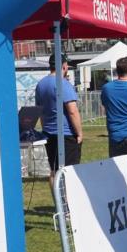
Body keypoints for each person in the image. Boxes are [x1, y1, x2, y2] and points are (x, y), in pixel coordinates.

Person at [35, 53, 83, 191]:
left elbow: (40, 110)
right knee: (70, 172)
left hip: (49, 132)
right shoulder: (63, 83)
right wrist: (79, 133)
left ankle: (58, 201)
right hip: (66, 134)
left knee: (54, 170)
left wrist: (45, 129)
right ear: (64, 66)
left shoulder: (41, 84)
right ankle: (68, 202)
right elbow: (72, 110)